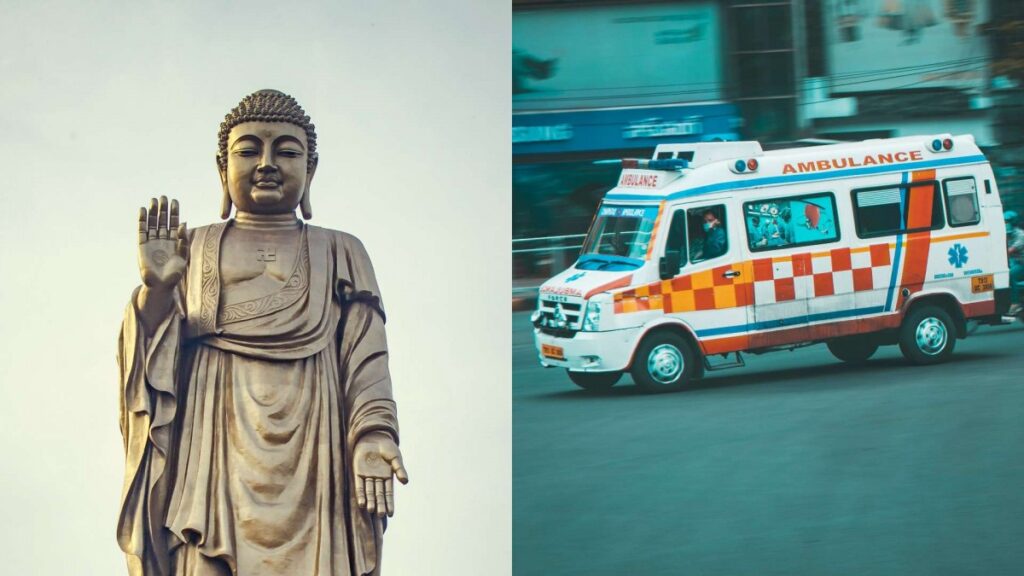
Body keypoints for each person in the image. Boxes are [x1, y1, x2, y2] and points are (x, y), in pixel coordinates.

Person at [118, 90, 408, 576]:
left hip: (317, 460)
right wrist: (156, 294)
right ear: (221, 168)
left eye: (287, 152)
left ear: (310, 171)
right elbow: (151, 364)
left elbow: (367, 357)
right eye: (249, 150)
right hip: (212, 459)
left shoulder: (341, 251)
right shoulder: (194, 247)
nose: (267, 163)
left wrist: (374, 434)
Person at [1006, 210, 1024, 315]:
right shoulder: (1010, 234)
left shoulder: (1020, 235)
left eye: (1007, 222)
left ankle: (1015, 302)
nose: (1005, 224)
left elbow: (1009, 251)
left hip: (1022, 263)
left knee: (1010, 274)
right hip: (1016, 262)